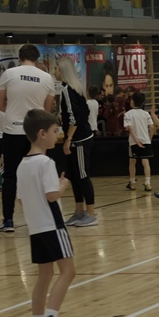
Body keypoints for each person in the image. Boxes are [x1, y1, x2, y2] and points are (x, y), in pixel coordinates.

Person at [16, 109, 75, 317]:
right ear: (42, 133)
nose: (57, 135)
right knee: (68, 271)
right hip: (52, 225)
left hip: (35, 227)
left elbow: (21, 200)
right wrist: (63, 186)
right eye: (54, 131)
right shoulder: (46, 162)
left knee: (44, 275)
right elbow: (51, 195)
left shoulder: (22, 165)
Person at [0, 44, 57, 232]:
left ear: (19, 57)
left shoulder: (9, 74)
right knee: (38, 177)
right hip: (36, 133)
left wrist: (14, 113)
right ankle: (41, 219)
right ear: (37, 59)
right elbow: (47, 111)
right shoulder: (47, 78)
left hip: (12, 131)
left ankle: (8, 220)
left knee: (10, 177)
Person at [55, 57, 97, 227]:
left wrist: (68, 139)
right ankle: (79, 211)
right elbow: (83, 112)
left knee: (83, 175)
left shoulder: (68, 90)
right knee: (73, 175)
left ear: (63, 70)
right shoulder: (75, 88)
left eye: (56, 68)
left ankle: (91, 214)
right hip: (77, 137)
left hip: (79, 139)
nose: (54, 71)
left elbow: (74, 118)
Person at [123, 91, 153, 191]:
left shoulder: (128, 114)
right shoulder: (146, 114)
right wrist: (149, 139)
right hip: (146, 140)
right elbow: (152, 127)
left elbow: (130, 128)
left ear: (132, 102)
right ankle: (147, 183)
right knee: (145, 161)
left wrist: (136, 141)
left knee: (132, 161)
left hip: (133, 142)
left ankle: (132, 182)